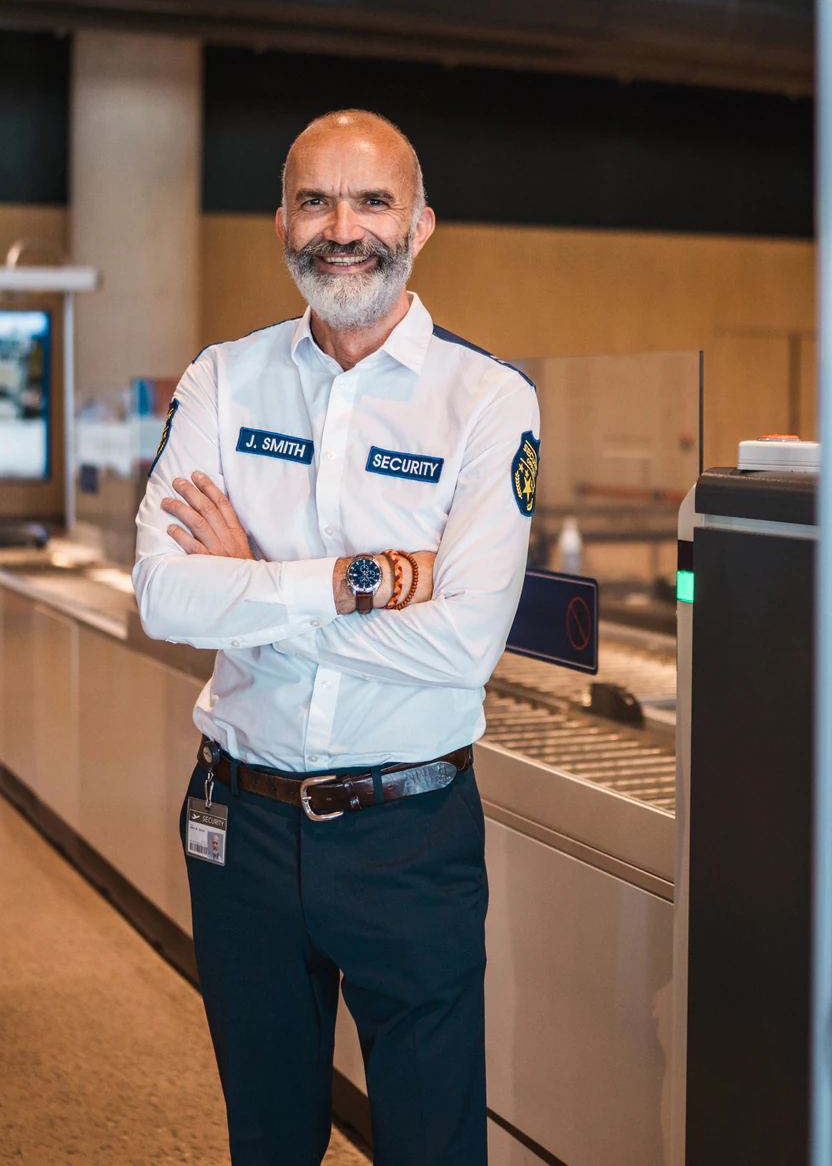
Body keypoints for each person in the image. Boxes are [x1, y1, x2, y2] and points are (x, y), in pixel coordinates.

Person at [133, 109, 540, 1166]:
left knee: (430, 1143)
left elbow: (462, 647)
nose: (341, 227)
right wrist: (361, 585)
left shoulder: (488, 403)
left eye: (372, 201)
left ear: (422, 223)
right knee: (268, 1139)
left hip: (409, 835)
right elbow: (164, 599)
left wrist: (254, 592)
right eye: (315, 199)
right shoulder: (224, 380)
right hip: (242, 827)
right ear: (280, 222)